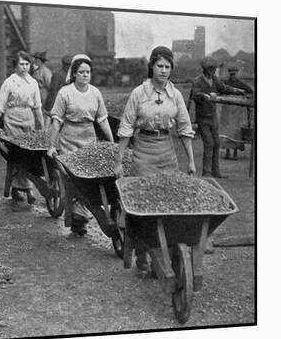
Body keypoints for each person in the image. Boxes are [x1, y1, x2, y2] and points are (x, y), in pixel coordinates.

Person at [114, 46, 197, 270]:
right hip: (143, 151)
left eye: (167, 66)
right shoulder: (139, 93)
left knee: (169, 204)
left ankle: (165, 255)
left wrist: (190, 160)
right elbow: (126, 127)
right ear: (152, 66)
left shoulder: (175, 95)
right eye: (159, 66)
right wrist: (119, 161)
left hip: (167, 152)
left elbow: (185, 128)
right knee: (144, 205)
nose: (163, 70)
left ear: (171, 69)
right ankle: (142, 252)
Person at [47, 54, 115, 235]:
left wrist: (112, 141)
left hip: (89, 139)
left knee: (89, 179)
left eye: (88, 72)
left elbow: (102, 120)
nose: (86, 75)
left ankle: (82, 214)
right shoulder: (65, 93)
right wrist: (52, 145)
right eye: (81, 72)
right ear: (74, 74)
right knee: (72, 180)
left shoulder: (95, 93)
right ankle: (78, 218)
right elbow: (56, 121)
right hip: (69, 138)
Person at [0, 51, 44, 204]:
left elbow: (38, 107)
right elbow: (0, 107)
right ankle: (27, 189)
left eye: (27, 64)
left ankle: (20, 187)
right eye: (21, 64)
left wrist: (43, 127)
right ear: (15, 65)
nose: (24, 67)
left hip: (28, 120)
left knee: (31, 154)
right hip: (12, 119)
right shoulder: (9, 82)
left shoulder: (33, 83)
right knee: (18, 154)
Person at [189, 57, 246, 178]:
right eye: (211, 69)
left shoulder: (214, 79)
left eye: (214, 69)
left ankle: (216, 172)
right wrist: (205, 95)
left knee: (216, 143)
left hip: (213, 117)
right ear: (205, 69)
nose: (213, 71)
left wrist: (239, 91)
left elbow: (224, 88)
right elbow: (196, 94)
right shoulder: (197, 81)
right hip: (203, 118)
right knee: (209, 143)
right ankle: (206, 173)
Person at [44, 54, 72, 126]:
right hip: (60, 105)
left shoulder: (70, 75)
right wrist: (49, 108)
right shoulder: (58, 75)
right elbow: (53, 92)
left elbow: (52, 92)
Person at [31, 51, 53, 127]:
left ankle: (44, 128)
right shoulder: (36, 71)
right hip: (35, 92)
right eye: (35, 59)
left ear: (41, 61)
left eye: (37, 60)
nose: (35, 61)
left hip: (43, 93)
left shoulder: (46, 72)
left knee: (42, 111)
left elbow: (49, 85)